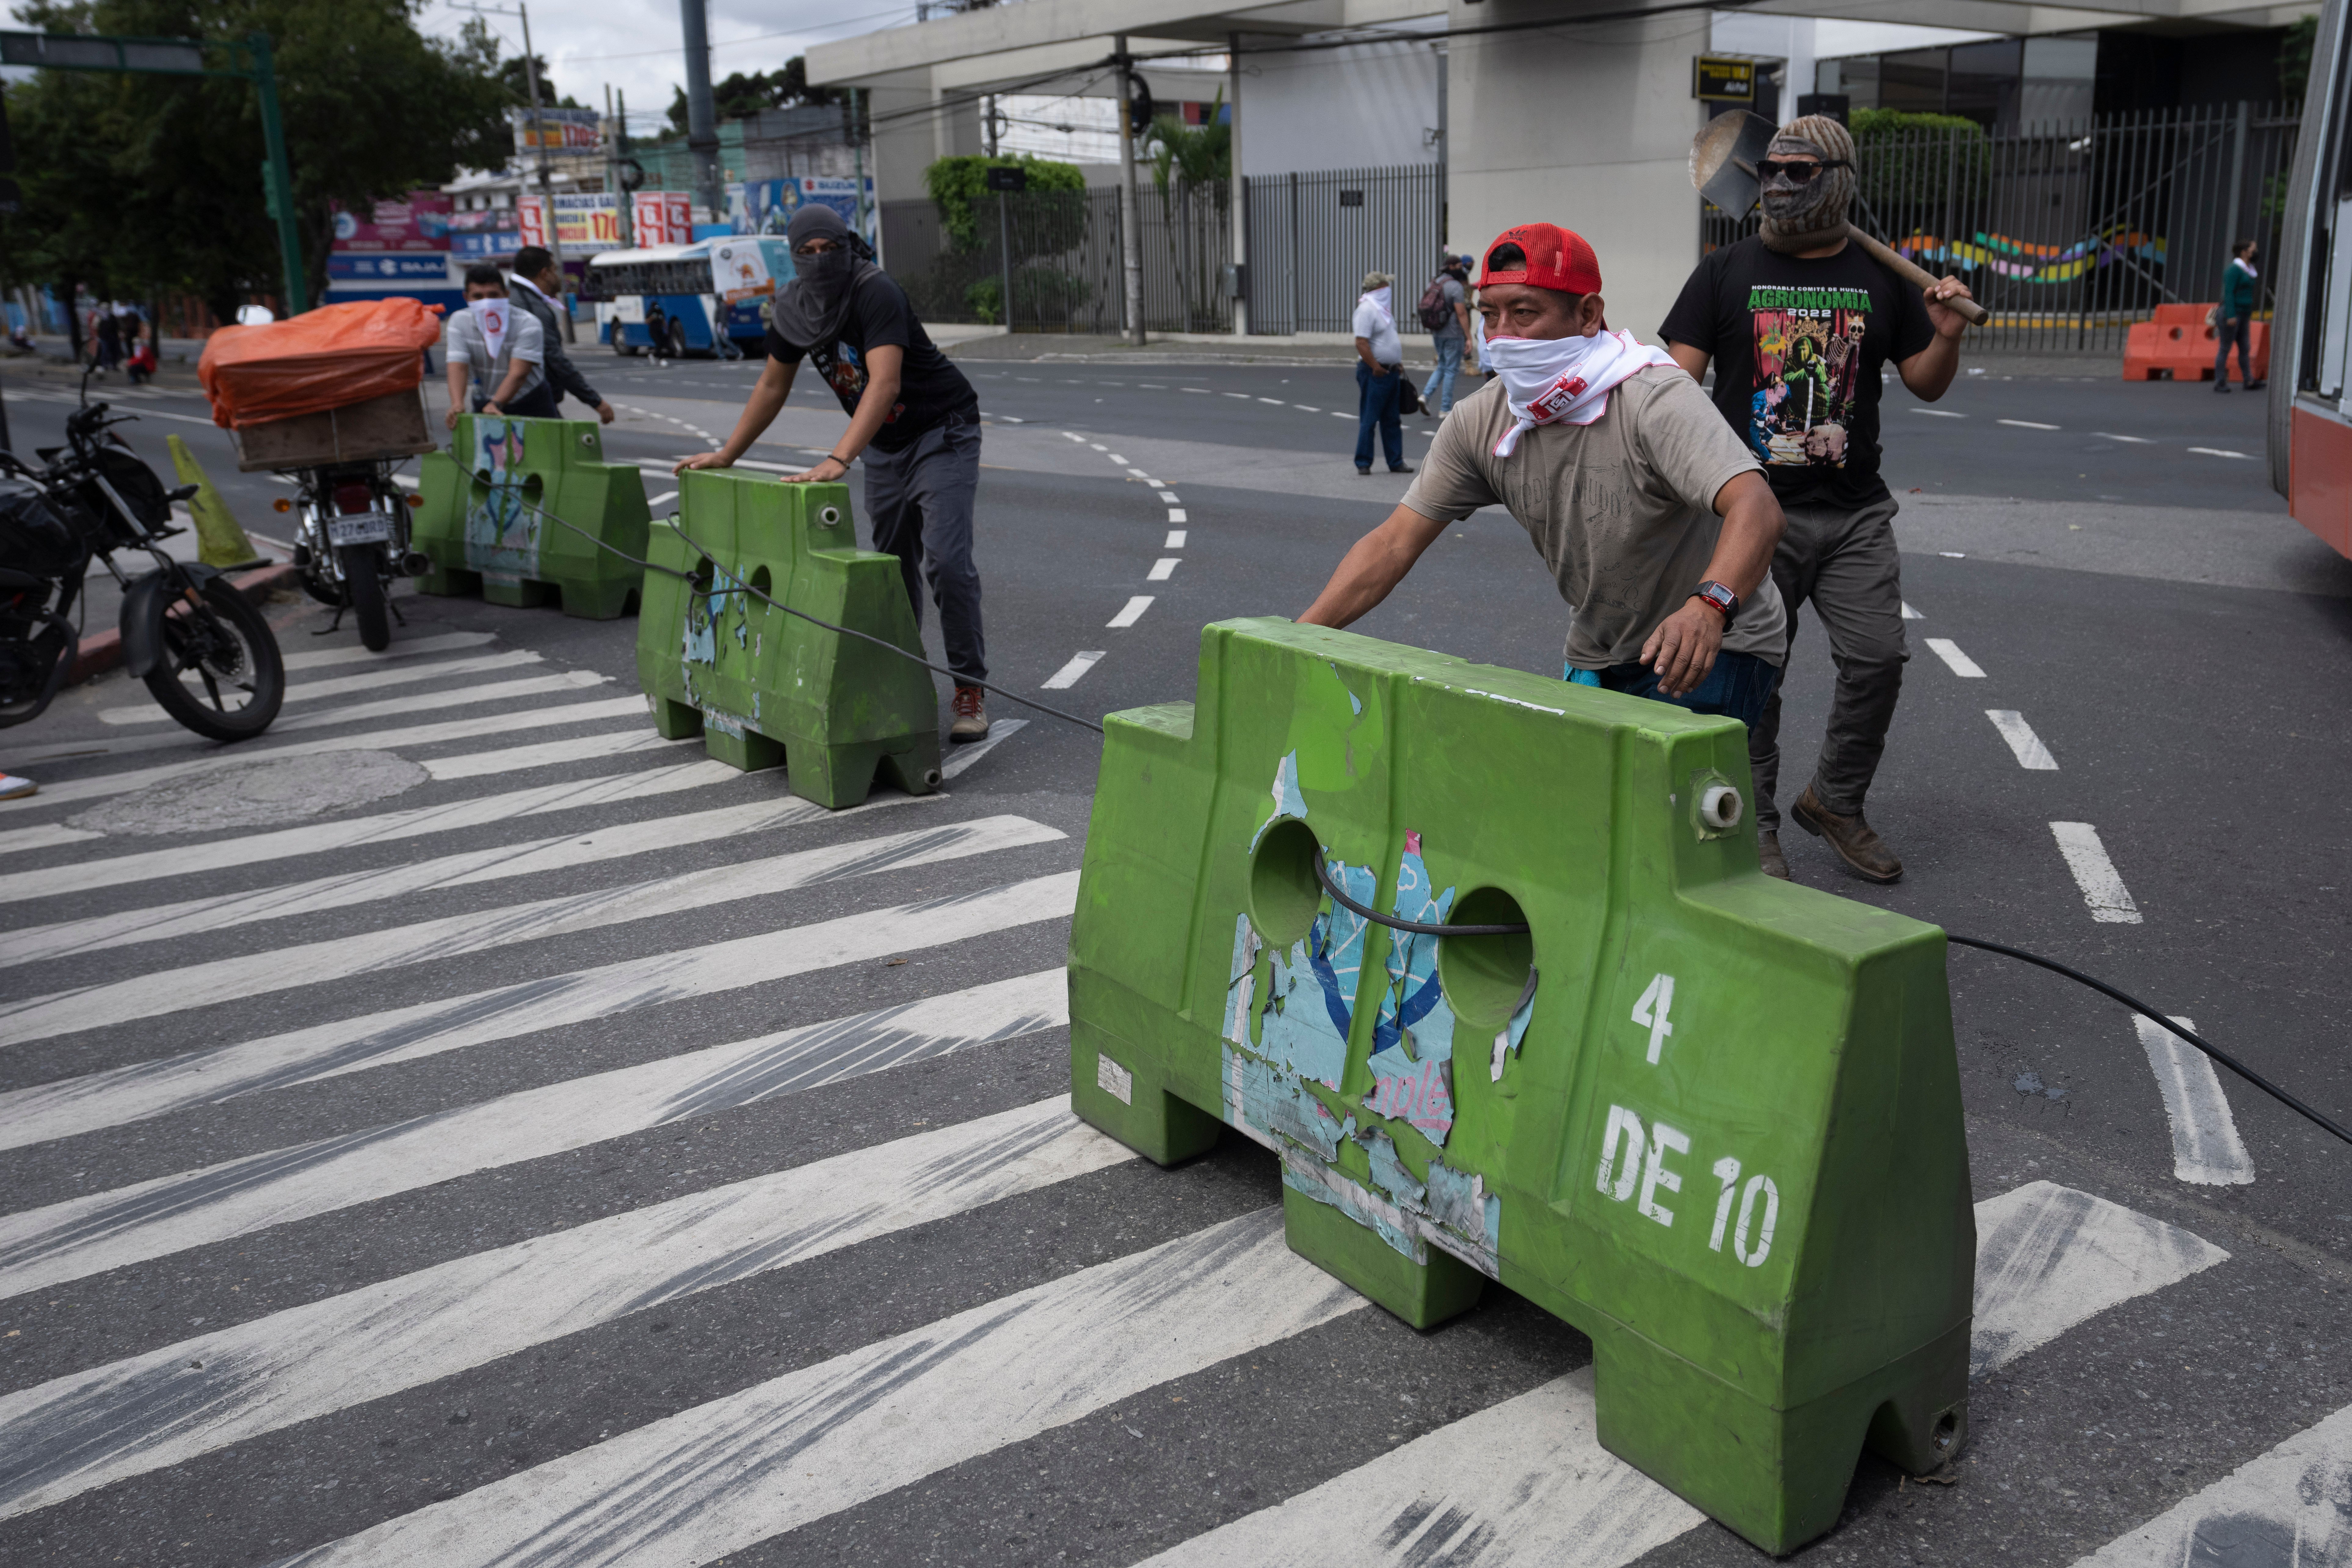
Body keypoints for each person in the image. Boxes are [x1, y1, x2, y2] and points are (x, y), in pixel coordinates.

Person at [1299, 223, 1788, 734]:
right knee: (1582, 803)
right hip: (1599, 648)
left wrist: (1709, 607)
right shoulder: (1480, 421)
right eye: (1489, 315)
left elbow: (1756, 507)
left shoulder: (1651, 397)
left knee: (1668, 805)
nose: (1502, 335)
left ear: (1587, 314)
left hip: (1712, 640)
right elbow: (1392, 544)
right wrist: (1299, 638)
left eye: (1524, 313)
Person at [1661, 112, 1976, 885]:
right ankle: (1757, 824)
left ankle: (1834, 801)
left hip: (1854, 512)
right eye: (1769, 169)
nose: (1775, 184)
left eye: (1797, 173)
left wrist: (1944, 333)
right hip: (1750, 512)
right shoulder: (1722, 272)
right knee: (1752, 676)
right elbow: (1673, 387)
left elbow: (1926, 384)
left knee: (1877, 659)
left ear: (1836, 182)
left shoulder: (1880, 281)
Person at [675, 204, 993, 744]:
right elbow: (772, 386)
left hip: (943, 431)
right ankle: (903, 675)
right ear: (794, 256)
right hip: (885, 447)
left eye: (830, 250)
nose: (821, 261)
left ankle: (969, 686)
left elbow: (884, 382)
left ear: (847, 247)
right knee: (889, 571)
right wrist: (727, 453)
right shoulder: (794, 307)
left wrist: (839, 458)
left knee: (944, 560)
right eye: (808, 253)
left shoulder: (875, 291)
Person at [508, 245, 617, 424]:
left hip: (522, 398)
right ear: (545, 274)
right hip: (532, 400)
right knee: (564, 449)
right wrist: (595, 401)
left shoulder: (516, 296)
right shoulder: (532, 308)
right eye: (555, 270)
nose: (558, 277)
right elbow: (555, 360)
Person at [442, 264, 559, 430]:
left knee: (541, 453)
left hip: (529, 399)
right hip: (486, 398)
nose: (487, 303)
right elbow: (458, 366)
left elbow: (519, 373)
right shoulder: (459, 322)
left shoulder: (527, 323)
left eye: (493, 295)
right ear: (466, 298)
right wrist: (457, 404)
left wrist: (497, 403)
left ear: (507, 295)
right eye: (478, 297)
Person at [1352, 271, 1412, 475]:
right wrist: (1376, 366)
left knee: (1392, 420)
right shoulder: (1366, 310)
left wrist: (1396, 363)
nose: (1390, 290)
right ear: (1379, 288)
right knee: (1370, 419)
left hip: (1391, 372)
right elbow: (1361, 342)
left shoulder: (1382, 310)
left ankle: (1396, 461)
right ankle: (1363, 462)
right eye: (1387, 285)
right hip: (1375, 373)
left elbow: (1385, 340)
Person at [1418, 255, 1473, 419]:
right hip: (1454, 333)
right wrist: (1468, 337)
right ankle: (1445, 409)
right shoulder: (1455, 286)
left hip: (1437, 331)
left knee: (1442, 365)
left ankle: (1425, 396)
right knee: (1451, 369)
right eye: (1459, 266)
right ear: (1454, 267)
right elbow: (1462, 313)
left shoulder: (1434, 283)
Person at [2216, 239, 2263, 393]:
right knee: (2225, 348)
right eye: (2253, 250)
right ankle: (2220, 382)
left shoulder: (2248, 269)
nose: (2255, 253)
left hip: (2243, 313)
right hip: (2233, 313)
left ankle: (2249, 380)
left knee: (2245, 348)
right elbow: (2228, 293)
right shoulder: (2234, 270)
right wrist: (2231, 315)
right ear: (2244, 252)